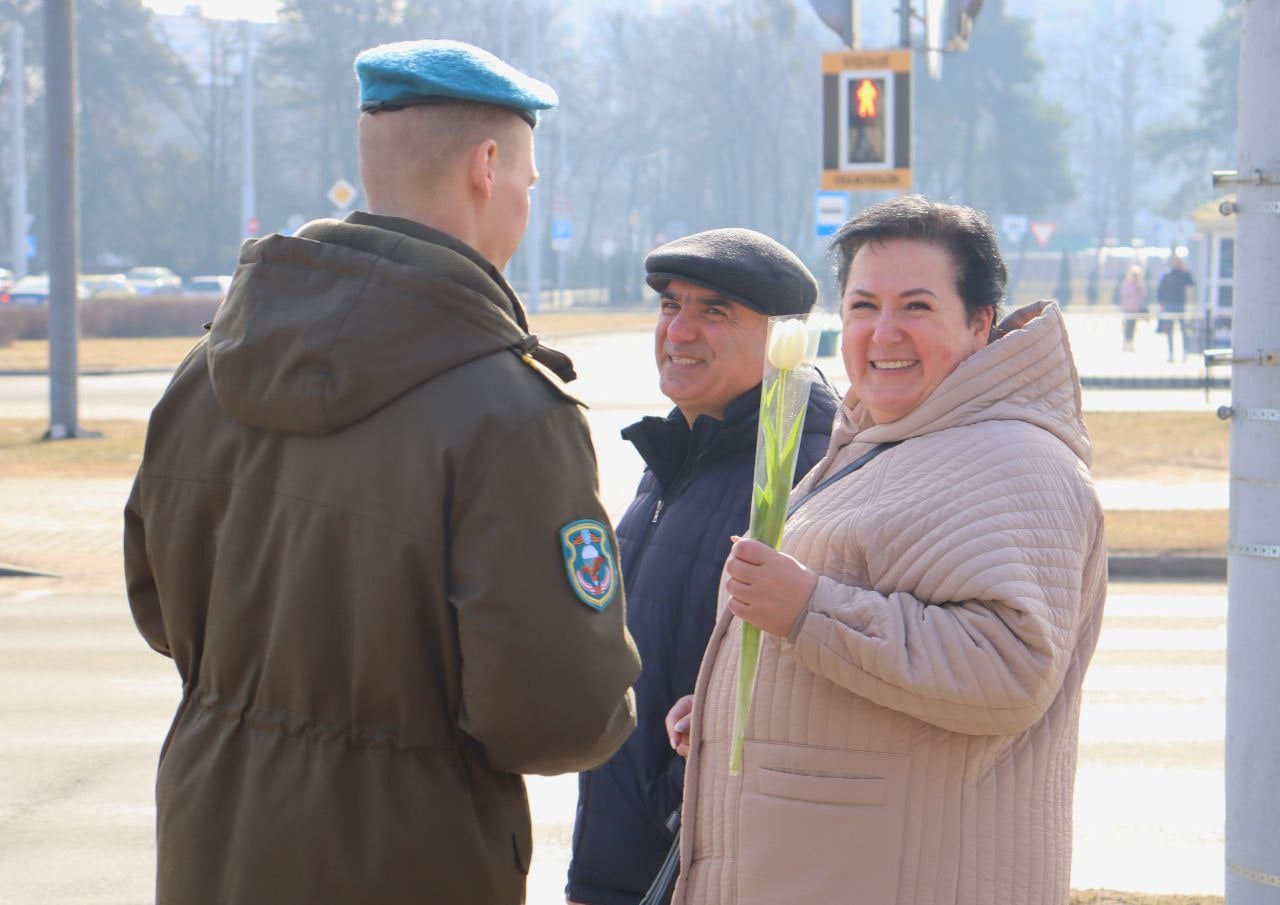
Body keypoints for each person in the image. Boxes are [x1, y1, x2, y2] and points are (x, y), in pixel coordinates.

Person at [124, 39, 640, 905]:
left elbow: (156, 606)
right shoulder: (510, 413)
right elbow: (556, 714)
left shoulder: (209, 369)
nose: (524, 196)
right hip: (411, 853)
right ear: (486, 166)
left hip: (214, 835)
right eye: (527, 178)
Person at [665, 195, 1106, 905]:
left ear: (980, 323)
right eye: (864, 305)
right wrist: (733, 705)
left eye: (918, 306)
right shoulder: (886, 441)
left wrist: (807, 610)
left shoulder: (1013, 461)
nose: (883, 331)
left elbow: (1007, 664)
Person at [566, 230, 840, 905]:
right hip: (622, 860)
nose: (679, 330)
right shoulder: (674, 459)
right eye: (669, 305)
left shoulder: (803, 474)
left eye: (714, 312)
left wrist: (673, 806)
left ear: (781, 339)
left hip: (703, 867)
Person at [1156, 254, 1195, 362]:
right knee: (1169, 330)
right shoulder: (1167, 275)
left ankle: (1185, 352)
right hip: (1169, 305)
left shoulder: (1183, 274)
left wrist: (1185, 270)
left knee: (1184, 330)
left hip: (1180, 305)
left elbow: (1191, 282)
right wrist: (1161, 303)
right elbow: (1160, 289)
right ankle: (1171, 353)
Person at [1118, 262, 1147, 350]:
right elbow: (1125, 293)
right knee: (1126, 327)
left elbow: (1143, 296)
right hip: (1127, 308)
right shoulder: (1127, 284)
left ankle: (1131, 343)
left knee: (1133, 327)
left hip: (1135, 309)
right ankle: (1125, 343)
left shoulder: (1140, 284)